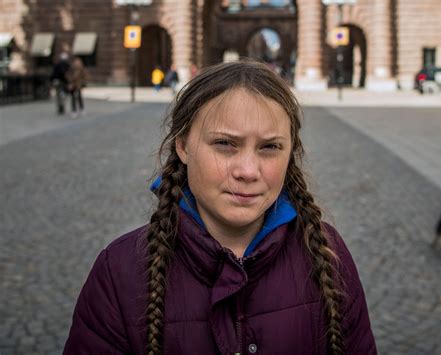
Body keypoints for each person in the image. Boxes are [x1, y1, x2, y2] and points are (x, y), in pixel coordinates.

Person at [64, 60, 377, 354]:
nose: (248, 171)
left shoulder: (328, 255)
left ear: (290, 152)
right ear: (183, 145)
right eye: (225, 144)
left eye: (270, 147)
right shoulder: (119, 272)